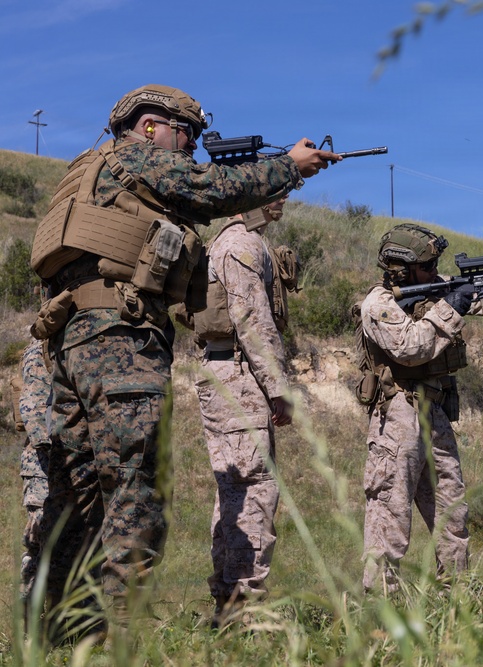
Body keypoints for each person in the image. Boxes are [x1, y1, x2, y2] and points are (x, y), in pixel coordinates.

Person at [28, 84, 338, 631]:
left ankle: (55, 635)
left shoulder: (85, 170)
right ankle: (118, 640)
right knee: (134, 493)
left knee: (76, 500)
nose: (192, 147)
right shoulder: (137, 157)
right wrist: (288, 166)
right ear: (151, 125)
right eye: (187, 134)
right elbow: (210, 189)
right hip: (120, 342)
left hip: (70, 343)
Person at [354, 223, 483, 593]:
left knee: (452, 513)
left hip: (435, 411)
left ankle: (457, 601)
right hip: (398, 415)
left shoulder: (435, 287)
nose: (434, 270)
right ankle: (378, 608)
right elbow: (410, 347)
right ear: (401, 269)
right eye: (427, 265)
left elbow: (480, 300)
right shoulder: (377, 305)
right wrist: (451, 305)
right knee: (390, 516)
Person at [187, 196, 297, 629]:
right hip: (238, 373)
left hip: (230, 369)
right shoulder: (242, 244)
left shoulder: (232, 241)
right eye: (275, 186)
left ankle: (229, 605)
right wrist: (278, 386)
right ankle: (241, 612)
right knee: (252, 491)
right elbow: (251, 319)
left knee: (235, 491)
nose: (283, 197)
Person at [15, 337, 51, 623]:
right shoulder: (41, 348)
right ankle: (30, 624)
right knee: (39, 542)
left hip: (68, 461)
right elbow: (33, 407)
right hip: (44, 462)